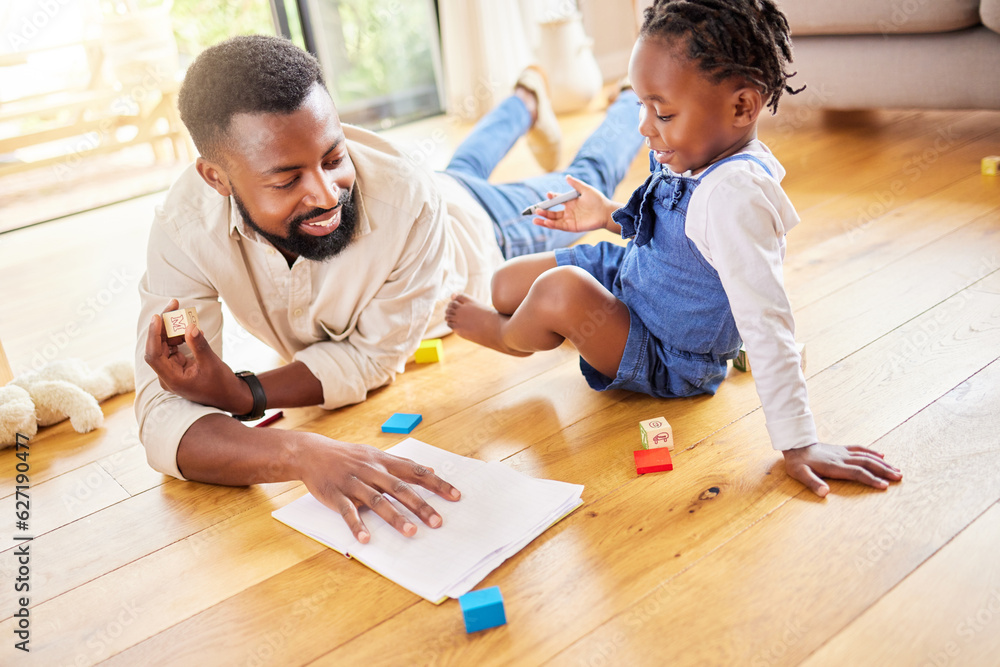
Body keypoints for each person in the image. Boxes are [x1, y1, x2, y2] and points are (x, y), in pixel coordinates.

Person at [135, 35, 645, 543]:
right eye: (288, 181)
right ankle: (527, 98)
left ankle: (628, 98)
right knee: (464, 166)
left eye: (334, 157)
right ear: (216, 178)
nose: (326, 193)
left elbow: (369, 358)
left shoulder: (407, 199)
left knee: (582, 178)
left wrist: (244, 393)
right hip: (439, 187)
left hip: (481, 232)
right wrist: (298, 452)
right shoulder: (184, 229)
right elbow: (162, 418)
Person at [446, 0, 902, 496]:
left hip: (668, 351)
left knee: (557, 291)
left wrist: (799, 443)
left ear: (742, 108)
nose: (645, 125)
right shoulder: (695, 147)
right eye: (641, 106)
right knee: (505, 281)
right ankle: (541, 321)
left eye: (661, 111)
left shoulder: (737, 198)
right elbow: (675, 236)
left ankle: (508, 336)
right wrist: (606, 215)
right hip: (635, 277)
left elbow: (767, 321)